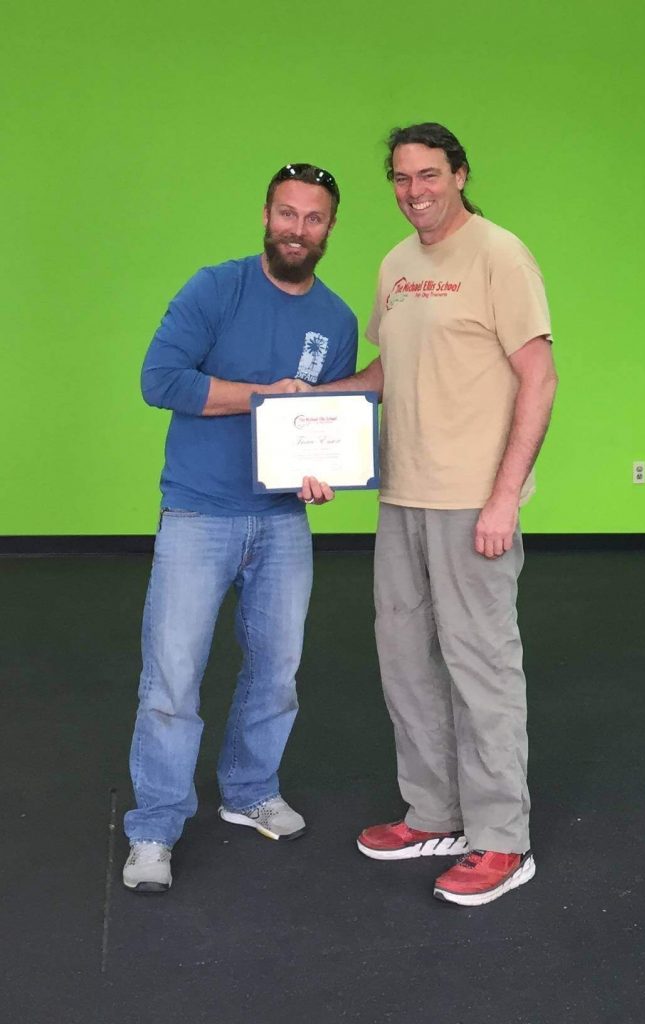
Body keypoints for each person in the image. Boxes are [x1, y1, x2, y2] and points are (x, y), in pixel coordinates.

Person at [307, 123, 558, 906]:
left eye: (427, 174)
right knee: (407, 665)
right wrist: (312, 408)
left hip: (469, 502)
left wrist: (504, 497)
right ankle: (435, 814)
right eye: (399, 177)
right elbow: (389, 368)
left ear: (458, 174)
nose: (413, 190)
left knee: (481, 668)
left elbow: (539, 378)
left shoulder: (498, 254)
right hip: (402, 497)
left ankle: (500, 840)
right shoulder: (395, 263)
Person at [122, 163, 357, 893]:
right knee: (171, 680)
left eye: (312, 218)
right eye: (286, 214)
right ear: (265, 215)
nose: (297, 229)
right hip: (198, 512)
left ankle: (249, 789)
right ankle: (155, 828)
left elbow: (318, 426)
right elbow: (159, 381)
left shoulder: (337, 320)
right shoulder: (214, 287)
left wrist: (320, 471)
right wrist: (263, 395)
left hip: (282, 519)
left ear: (329, 228)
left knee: (276, 672)